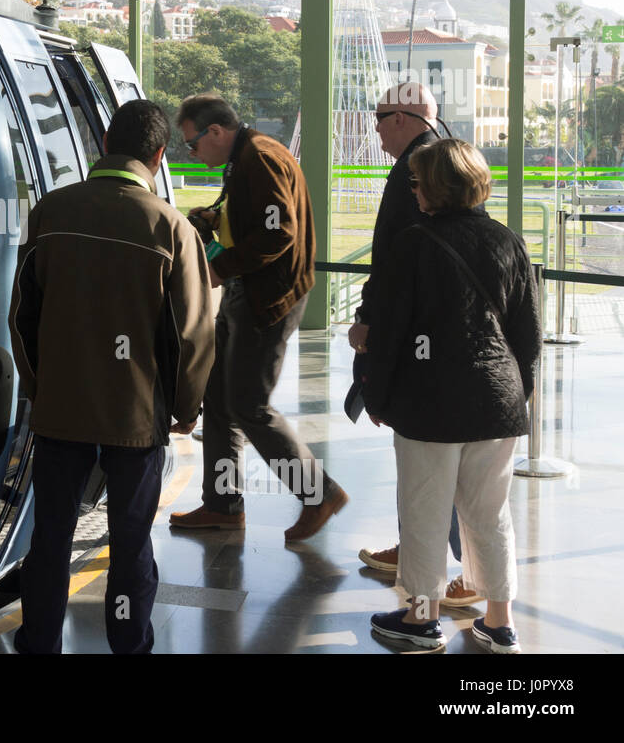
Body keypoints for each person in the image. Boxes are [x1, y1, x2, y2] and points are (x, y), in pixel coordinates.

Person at [8, 100, 215, 654]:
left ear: (103, 143)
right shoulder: (170, 226)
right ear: (159, 153)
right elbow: (192, 334)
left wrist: (38, 388)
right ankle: (128, 645)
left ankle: (39, 644)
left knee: (49, 537)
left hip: (60, 409)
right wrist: (187, 408)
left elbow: (22, 316)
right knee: (129, 541)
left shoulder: (51, 212)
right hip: (136, 414)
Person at [364, 139, 541, 653]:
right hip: (498, 402)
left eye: (417, 181)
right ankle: (500, 622)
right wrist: (515, 394)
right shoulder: (508, 241)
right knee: (490, 514)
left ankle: (421, 619)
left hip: (430, 402)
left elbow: (392, 330)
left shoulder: (413, 244)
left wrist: (378, 393)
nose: (412, 189)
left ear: (436, 186)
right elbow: (527, 336)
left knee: (425, 509)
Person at [168, 94, 349, 541]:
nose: (192, 153)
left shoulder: (260, 158)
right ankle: (223, 505)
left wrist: (218, 267)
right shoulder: (249, 154)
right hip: (247, 293)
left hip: (266, 298)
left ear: (215, 132)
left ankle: (318, 494)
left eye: (192, 144)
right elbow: (260, 219)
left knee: (249, 405)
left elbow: (277, 230)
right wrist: (216, 216)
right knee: (222, 399)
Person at [349, 84, 474, 606]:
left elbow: (398, 261)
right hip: (448, 343)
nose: (374, 125)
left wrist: (370, 325)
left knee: (431, 457)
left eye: (380, 116)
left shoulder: (416, 171)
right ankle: (429, 553)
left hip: (421, 341)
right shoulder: (440, 156)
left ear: (405, 118)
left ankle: (454, 574)